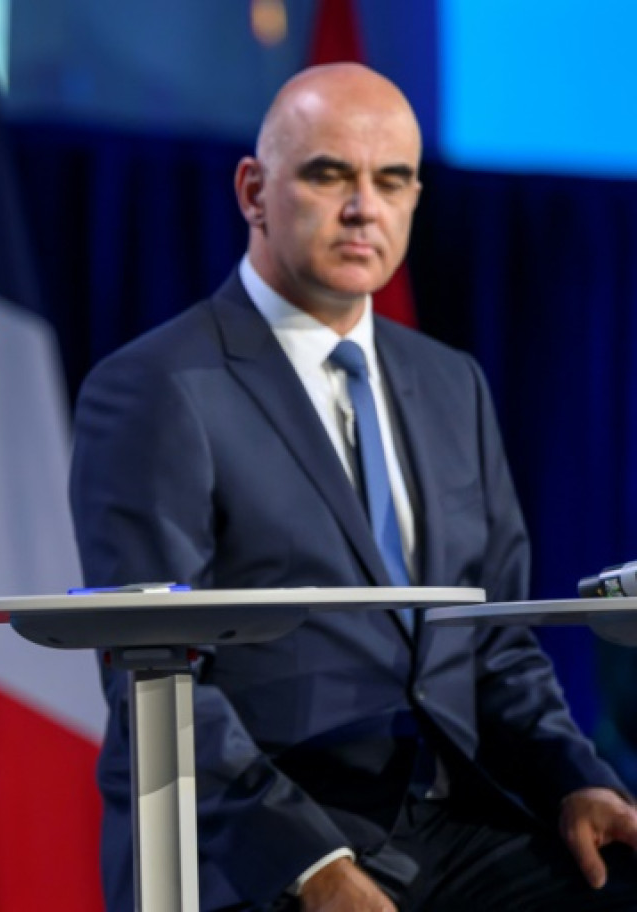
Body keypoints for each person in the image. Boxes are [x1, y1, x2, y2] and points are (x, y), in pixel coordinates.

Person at [70, 62, 637, 912]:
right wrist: (310, 868)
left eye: (392, 180)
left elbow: (498, 649)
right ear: (254, 191)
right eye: (330, 174)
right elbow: (157, 682)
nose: (363, 207)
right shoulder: (154, 387)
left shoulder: (453, 385)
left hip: (451, 822)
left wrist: (577, 782)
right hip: (256, 840)